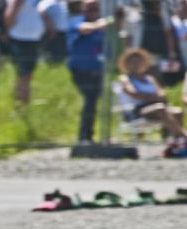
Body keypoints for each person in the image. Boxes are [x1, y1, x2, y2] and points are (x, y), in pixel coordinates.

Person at [66, 0, 114, 144]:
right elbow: (84, 29)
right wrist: (103, 23)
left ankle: (92, 135)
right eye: (88, 9)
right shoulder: (76, 21)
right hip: (81, 70)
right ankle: (84, 136)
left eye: (95, 9)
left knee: (94, 102)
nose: (91, 12)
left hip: (97, 70)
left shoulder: (102, 27)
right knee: (89, 101)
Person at [119, 48, 187, 143]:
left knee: (177, 111)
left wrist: (151, 96)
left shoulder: (149, 78)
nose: (135, 64)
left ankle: (174, 139)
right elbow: (133, 93)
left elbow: (161, 93)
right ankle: (183, 136)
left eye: (138, 61)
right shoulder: (125, 79)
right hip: (137, 110)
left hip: (156, 106)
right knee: (160, 108)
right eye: (132, 62)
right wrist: (151, 96)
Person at [4, 0, 45, 105]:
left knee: (23, 75)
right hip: (22, 37)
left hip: (29, 38)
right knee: (25, 75)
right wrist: (7, 31)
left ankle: (19, 101)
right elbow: (11, 14)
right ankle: (22, 104)